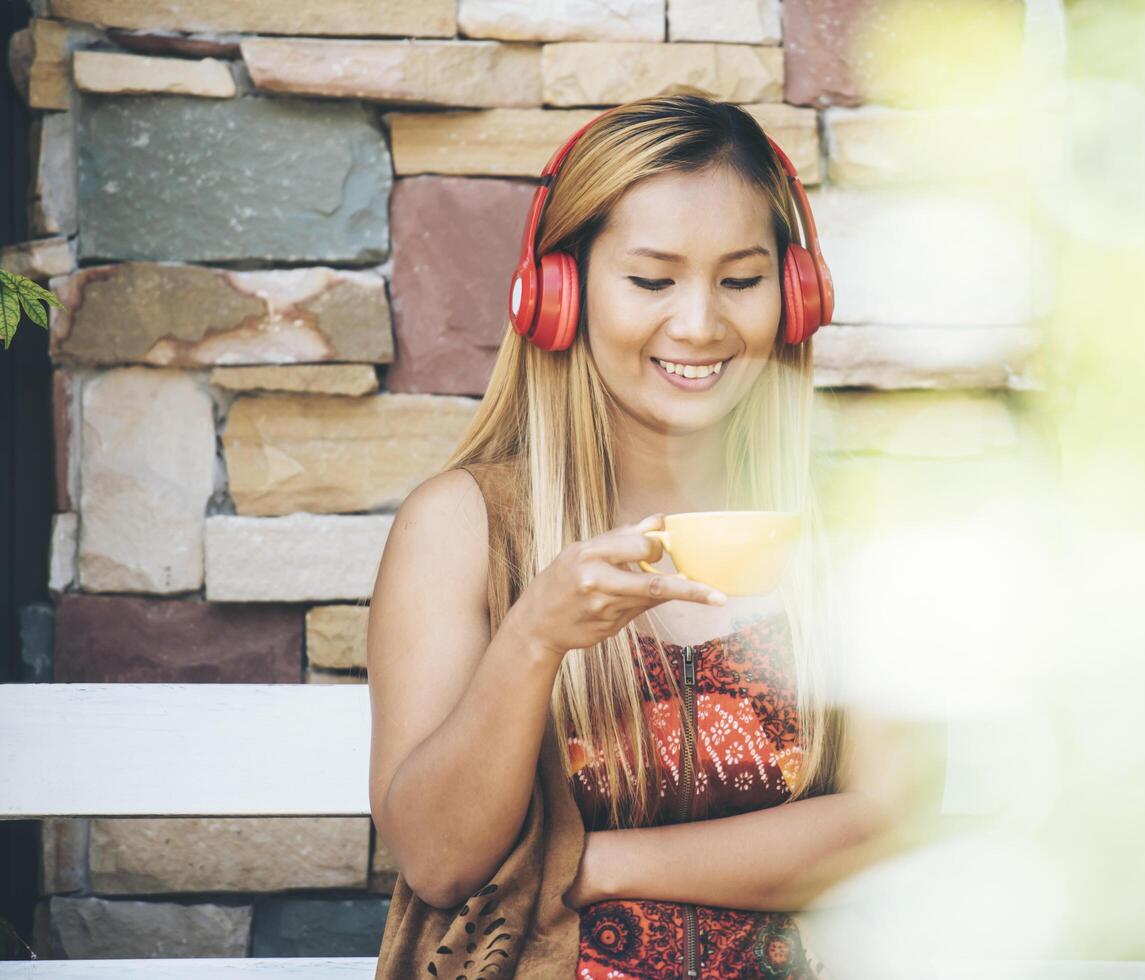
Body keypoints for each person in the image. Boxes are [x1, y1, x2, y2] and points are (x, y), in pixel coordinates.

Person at [368, 94, 898, 979]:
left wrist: (589, 863)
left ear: (796, 294)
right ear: (558, 295)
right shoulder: (462, 526)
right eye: (651, 281)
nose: (699, 324)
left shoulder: (859, 535)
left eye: (741, 280)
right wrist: (533, 636)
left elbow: (891, 823)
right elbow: (438, 860)